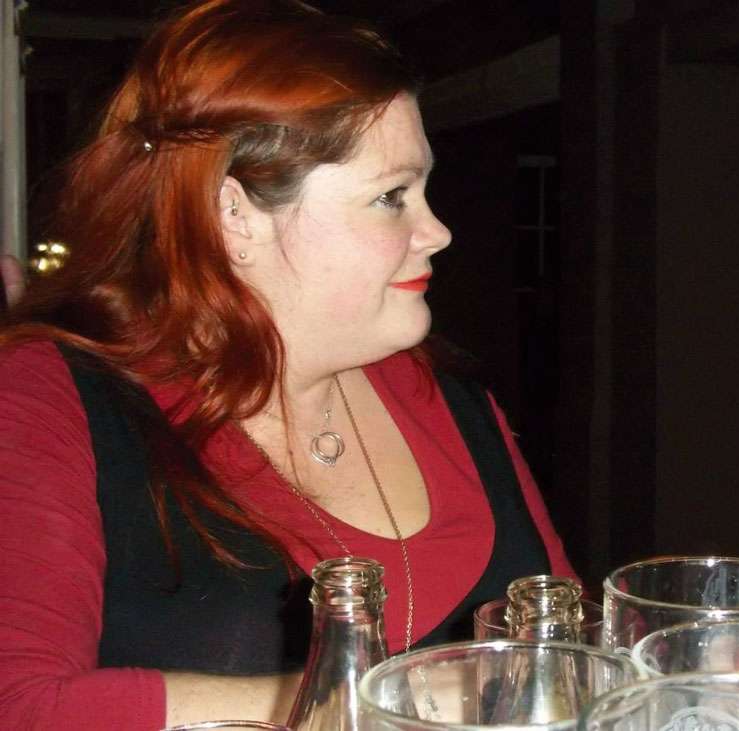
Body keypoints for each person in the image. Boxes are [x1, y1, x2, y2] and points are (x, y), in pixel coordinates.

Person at [0, 1, 574, 728]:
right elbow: (19, 705)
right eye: (391, 196)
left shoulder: (452, 399)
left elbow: (567, 657)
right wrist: (394, 701)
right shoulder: (52, 396)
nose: (437, 231)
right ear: (233, 214)